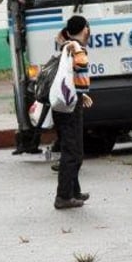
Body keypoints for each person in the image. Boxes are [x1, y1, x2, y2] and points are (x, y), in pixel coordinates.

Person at [53, 15, 94, 209]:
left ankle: (73, 191)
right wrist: (79, 51)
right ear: (85, 29)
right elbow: (82, 72)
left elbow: (72, 78)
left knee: (73, 149)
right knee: (73, 151)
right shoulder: (75, 48)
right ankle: (63, 197)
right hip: (70, 107)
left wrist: (81, 94)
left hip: (66, 103)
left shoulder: (65, 45)